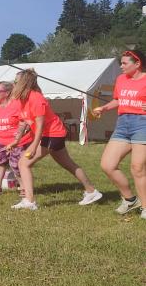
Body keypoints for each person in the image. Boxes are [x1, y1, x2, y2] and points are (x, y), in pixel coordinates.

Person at [10, 69, 102, 211]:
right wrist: (17, 140)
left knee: (23, 163)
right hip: (50, 135)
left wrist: (34, 146)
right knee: (69, 164)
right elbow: (23, 122)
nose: (13, 83)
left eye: (15, 81)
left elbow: (40, 125)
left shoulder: (36, 98)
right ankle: (92, 192)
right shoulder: (23, 99)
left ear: (24, 83)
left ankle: (29, 201)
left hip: (53, 134)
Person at [93, 50, 146, 219]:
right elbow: (118, 100)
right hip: (123, 124)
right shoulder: (121, 80)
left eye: (124, 63)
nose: (121, 66)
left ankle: (145, 207)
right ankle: (130, 199)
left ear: (137, 64)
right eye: (120, 63)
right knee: (107, 165)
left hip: (142, 124)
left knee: (137, 168)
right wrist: (103, 108)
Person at [0, 81, 29, 196]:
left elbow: (25, 119)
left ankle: (24, 189)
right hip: (2, 141)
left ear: (7, 93)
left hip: (17, 142)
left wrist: (21, 133)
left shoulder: (17, 104)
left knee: (16, 165)